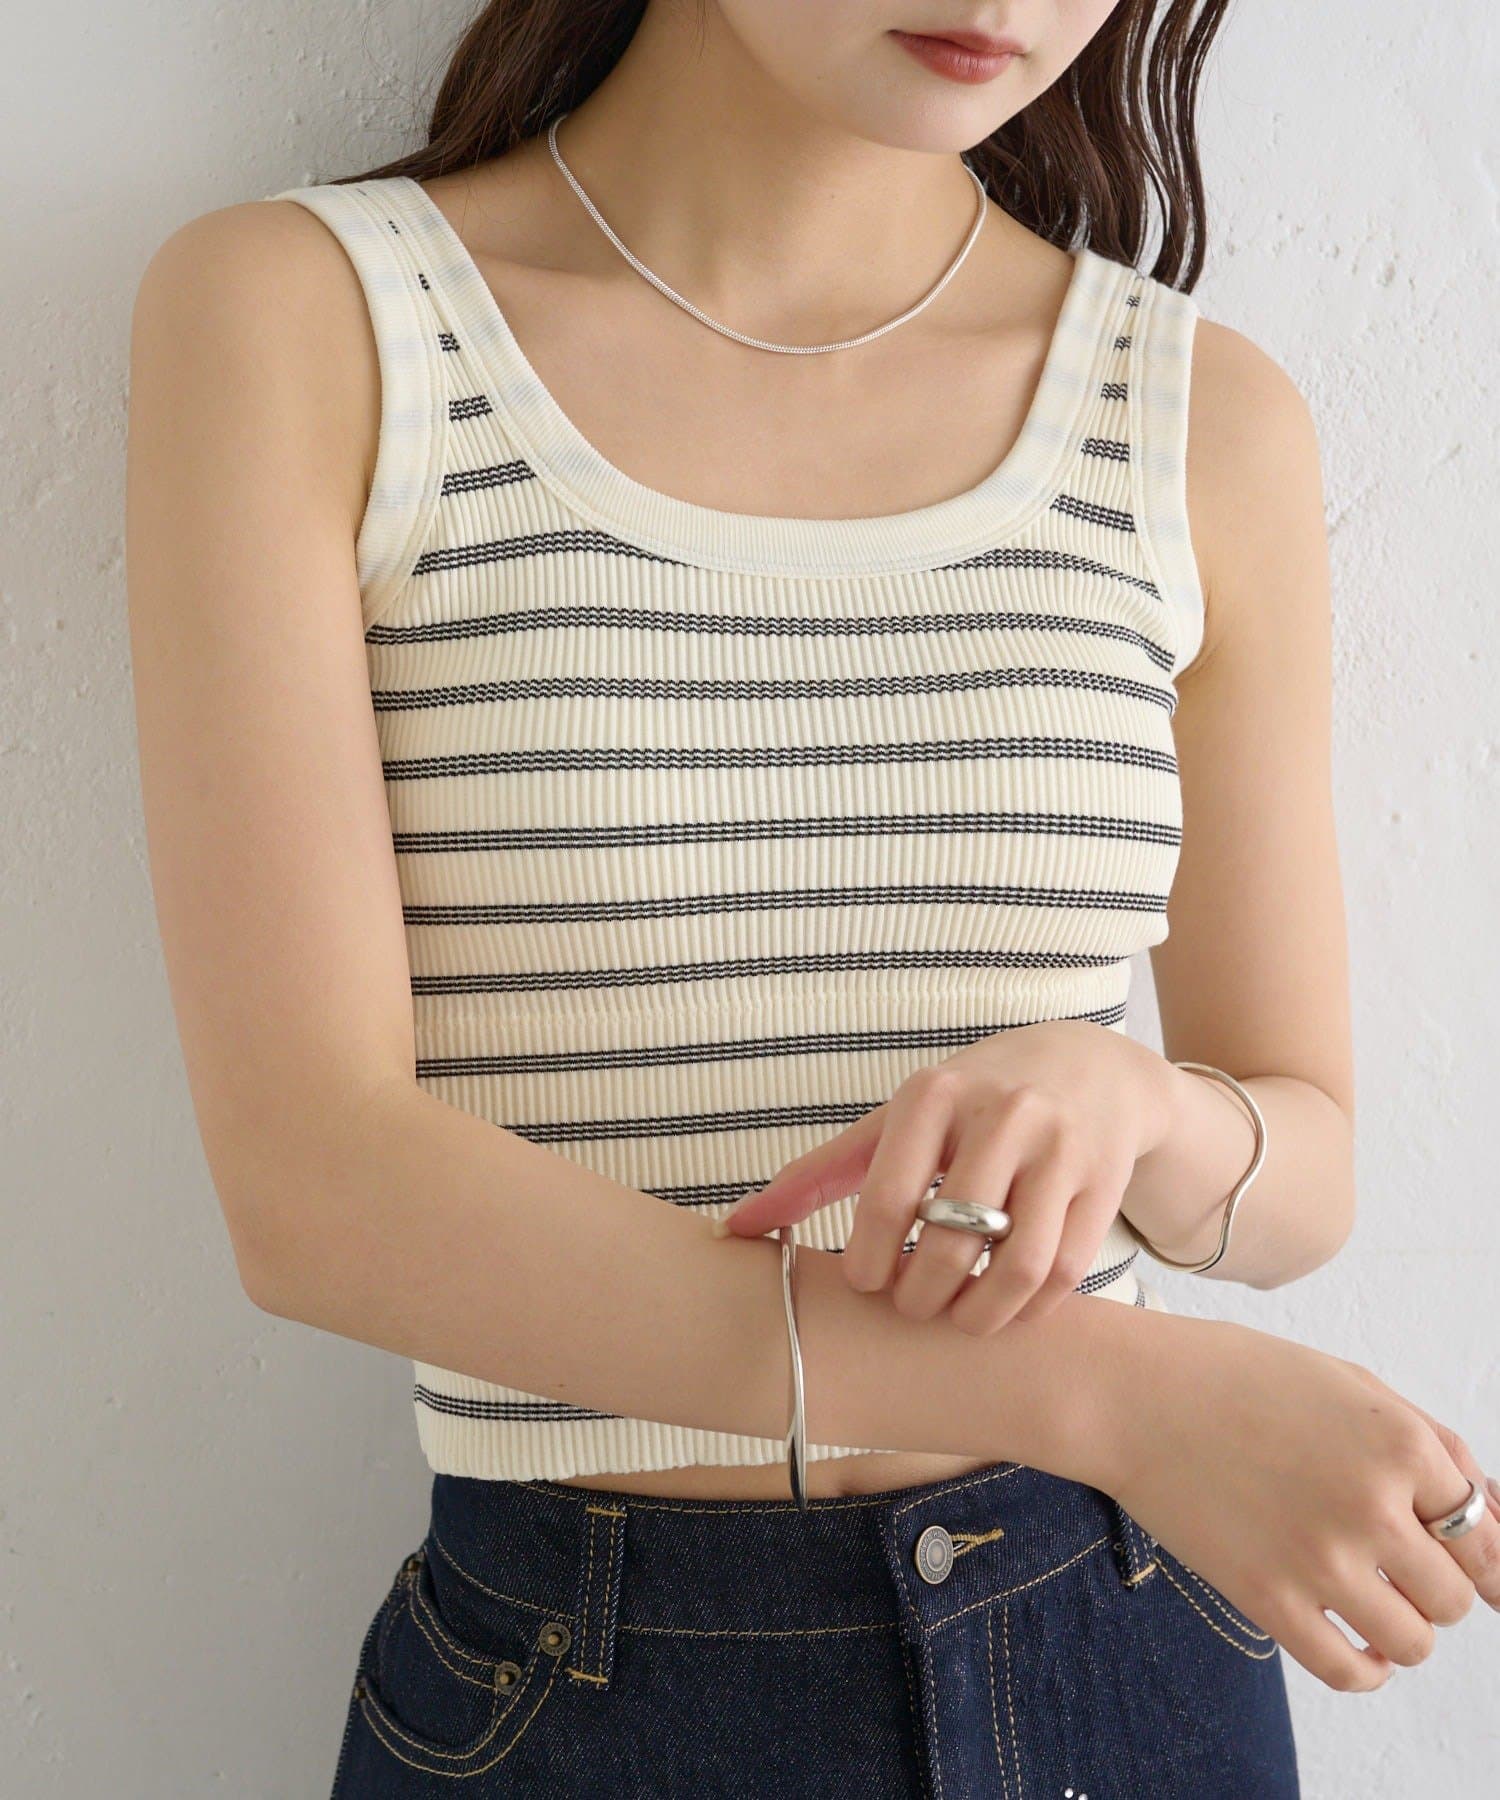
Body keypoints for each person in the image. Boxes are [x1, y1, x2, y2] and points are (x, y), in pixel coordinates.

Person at [125, 2, 1499, 1794]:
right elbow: (317, 1194)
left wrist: (1138, 1107)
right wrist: (1105, 1391)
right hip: (591, 1682)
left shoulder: (1194, 415)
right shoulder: (316, 320)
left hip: (1124, 1648)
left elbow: (1301, 1167)